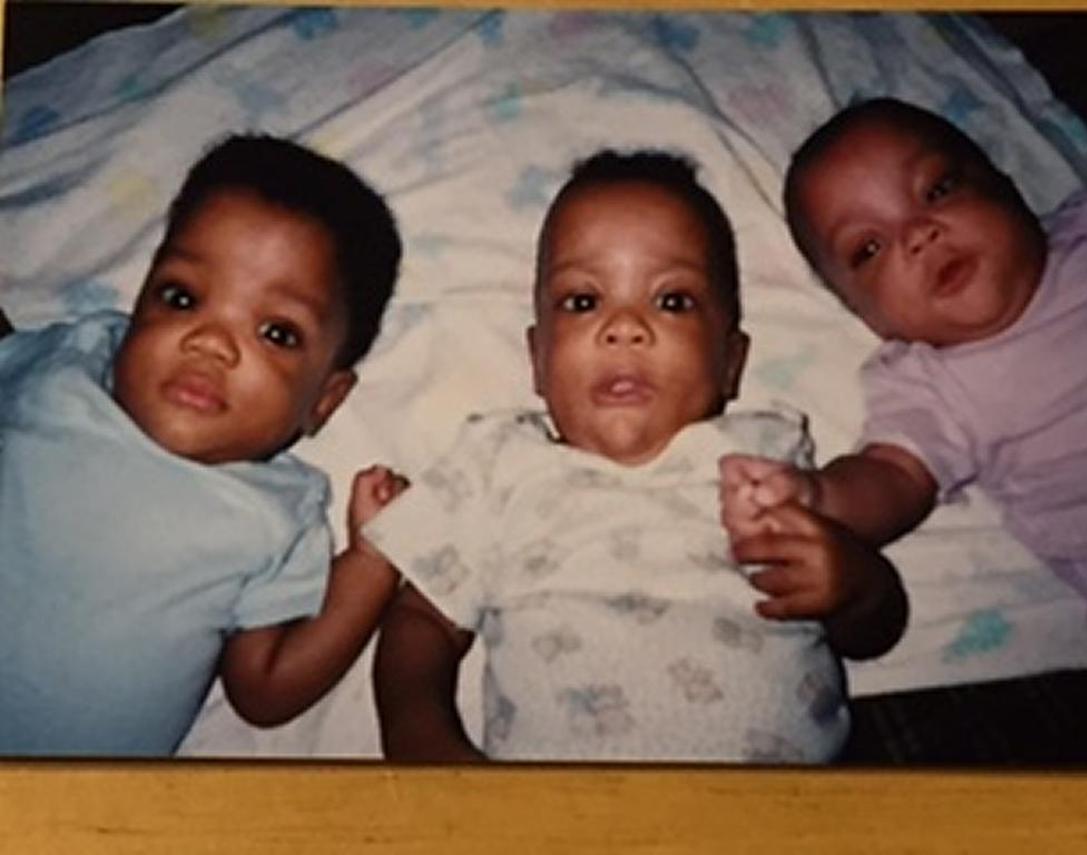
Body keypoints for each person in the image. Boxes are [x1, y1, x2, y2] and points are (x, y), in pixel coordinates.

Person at [369, 149, 907, 764]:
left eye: (672, 300)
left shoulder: (766, 459)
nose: (624, 327)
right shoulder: (499, 467)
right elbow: (420, 622)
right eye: (582, 301)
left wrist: (854, 587)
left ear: (730, 361)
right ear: (537, 359)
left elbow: (877, 627)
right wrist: (423, 742)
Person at [0, 134, 407, 755]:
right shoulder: (72, 362)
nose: (211, 342)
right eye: (182, 297)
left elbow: (265, 689)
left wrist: (375, 560)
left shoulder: (277, 510)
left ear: (324, 400)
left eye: (276, 332)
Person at [720, 97, 1087, 659]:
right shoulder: (930, 384)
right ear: (868, 316)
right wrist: (817, 496)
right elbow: (891, 477)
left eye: (937, 190)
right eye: (869, 248)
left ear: (1006, 185)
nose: (917, 234)